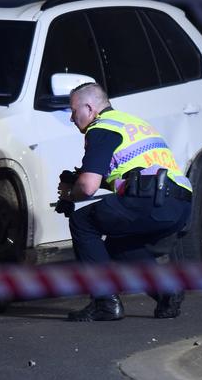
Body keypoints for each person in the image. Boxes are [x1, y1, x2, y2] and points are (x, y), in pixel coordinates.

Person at [58, 82, 193, 322]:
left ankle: (104, 302)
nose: (71, 118)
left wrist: (71, 194)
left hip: (150, 199)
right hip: (180, 203)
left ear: (89, 109)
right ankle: (166, 292)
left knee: (82, 222)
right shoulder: (132, 123)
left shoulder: (100, 128)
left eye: (73, 110)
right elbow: (130, 173)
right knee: (121, 245)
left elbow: (87, 187)